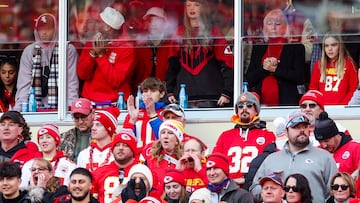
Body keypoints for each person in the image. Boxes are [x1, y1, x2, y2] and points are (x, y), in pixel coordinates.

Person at [250, 112, 338, 203]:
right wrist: (271, 191)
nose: (302, 130)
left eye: (305, 126)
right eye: (296, 127)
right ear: (286, 131)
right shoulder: (271, 159)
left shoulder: (324, 157)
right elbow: (254, 188)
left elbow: (334, 191)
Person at [166, 0, 234, 108]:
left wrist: (227, 92)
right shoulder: (179, 32)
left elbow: (228, 65)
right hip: (184, 96)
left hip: (211, 97)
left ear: (204, 8)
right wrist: (169, 91)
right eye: (188, 5)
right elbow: (172, 66)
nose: (191, 8)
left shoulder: (214, 32)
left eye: (196, 5)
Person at [15, 13, 79, 111]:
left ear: (55, 30)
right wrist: (19, 110)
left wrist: (72, 109)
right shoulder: (29, 51)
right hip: (34, 108)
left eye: (48, 29)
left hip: (62, 109)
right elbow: (24, 85)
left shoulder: (67, 50)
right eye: (41, 29)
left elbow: (72, 83)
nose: (44, 32)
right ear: (36, 31)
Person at [212, 92, 276, 186]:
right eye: (240, 106)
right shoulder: (225, 136)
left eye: (249, 105)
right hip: (229, 188)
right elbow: (215, 162)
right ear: (237, 111)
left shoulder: (267, 135)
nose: (244, 108)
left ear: (256, 111)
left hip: (255, 187)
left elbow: (271, 165)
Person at [246, 9, 306, 106]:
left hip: (286, 103)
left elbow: (299, 77)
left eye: (278, 24)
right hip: (260, 105)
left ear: (286, 26)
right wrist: (264, 69)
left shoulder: (296, 47)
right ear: (265, 27)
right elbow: (249, 78)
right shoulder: (259, 48)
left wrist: (275, 69)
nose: (273, 27)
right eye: (269, 23)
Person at [77, 6, 135, 103]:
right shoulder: (91, 43)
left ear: (107, 27)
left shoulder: (126, 48)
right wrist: (92, 54)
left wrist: (101, 56)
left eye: (99, 22)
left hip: (114, 104)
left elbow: (116, 81)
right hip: (90, 101)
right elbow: (83, 75)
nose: (96, 24)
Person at [309, 32, 358, 105]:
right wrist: (319, 105)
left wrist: (343, 105)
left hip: (343, 109)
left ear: (340, 46)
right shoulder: (318, 65)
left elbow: (353, 89)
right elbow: (313, 89)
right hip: (322, 109)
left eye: (333, 45)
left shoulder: (349, 64)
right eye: (326, 46)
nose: (330, 49)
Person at [91, 130, 138, 203]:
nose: (120, 148)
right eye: (117, 145)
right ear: (112, 149)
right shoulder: (99, 172)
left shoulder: (141, 171)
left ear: (133, 150)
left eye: (125, 145)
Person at [131, 7, 173, 86]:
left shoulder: (171, 44)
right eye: (150, 21)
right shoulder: (140, 46)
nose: (153, 24)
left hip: (166, 93)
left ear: (164, 23)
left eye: (157, 20)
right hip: (144, 93)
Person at [123, 77, 167, 148]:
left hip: (158, 156)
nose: (148, 94)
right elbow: (125, 140)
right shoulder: (134, 113)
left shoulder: (166, 114)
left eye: (153, 91)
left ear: (161, 94)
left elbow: (165, 139)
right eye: (145, 91)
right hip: (138, 157)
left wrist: (153, 114)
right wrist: (132, 120)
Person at [144, 120, 184, 194]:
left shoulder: (184, 161)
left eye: (170, 133)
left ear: (177, 140)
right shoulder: (150, 160)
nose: (165, 136)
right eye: (163, 133)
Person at [77, 106, 120, 172]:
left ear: (109, 128)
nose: (93, 128)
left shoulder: (118, 153)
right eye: (93, 125)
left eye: (98, 125)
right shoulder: (83, 154)